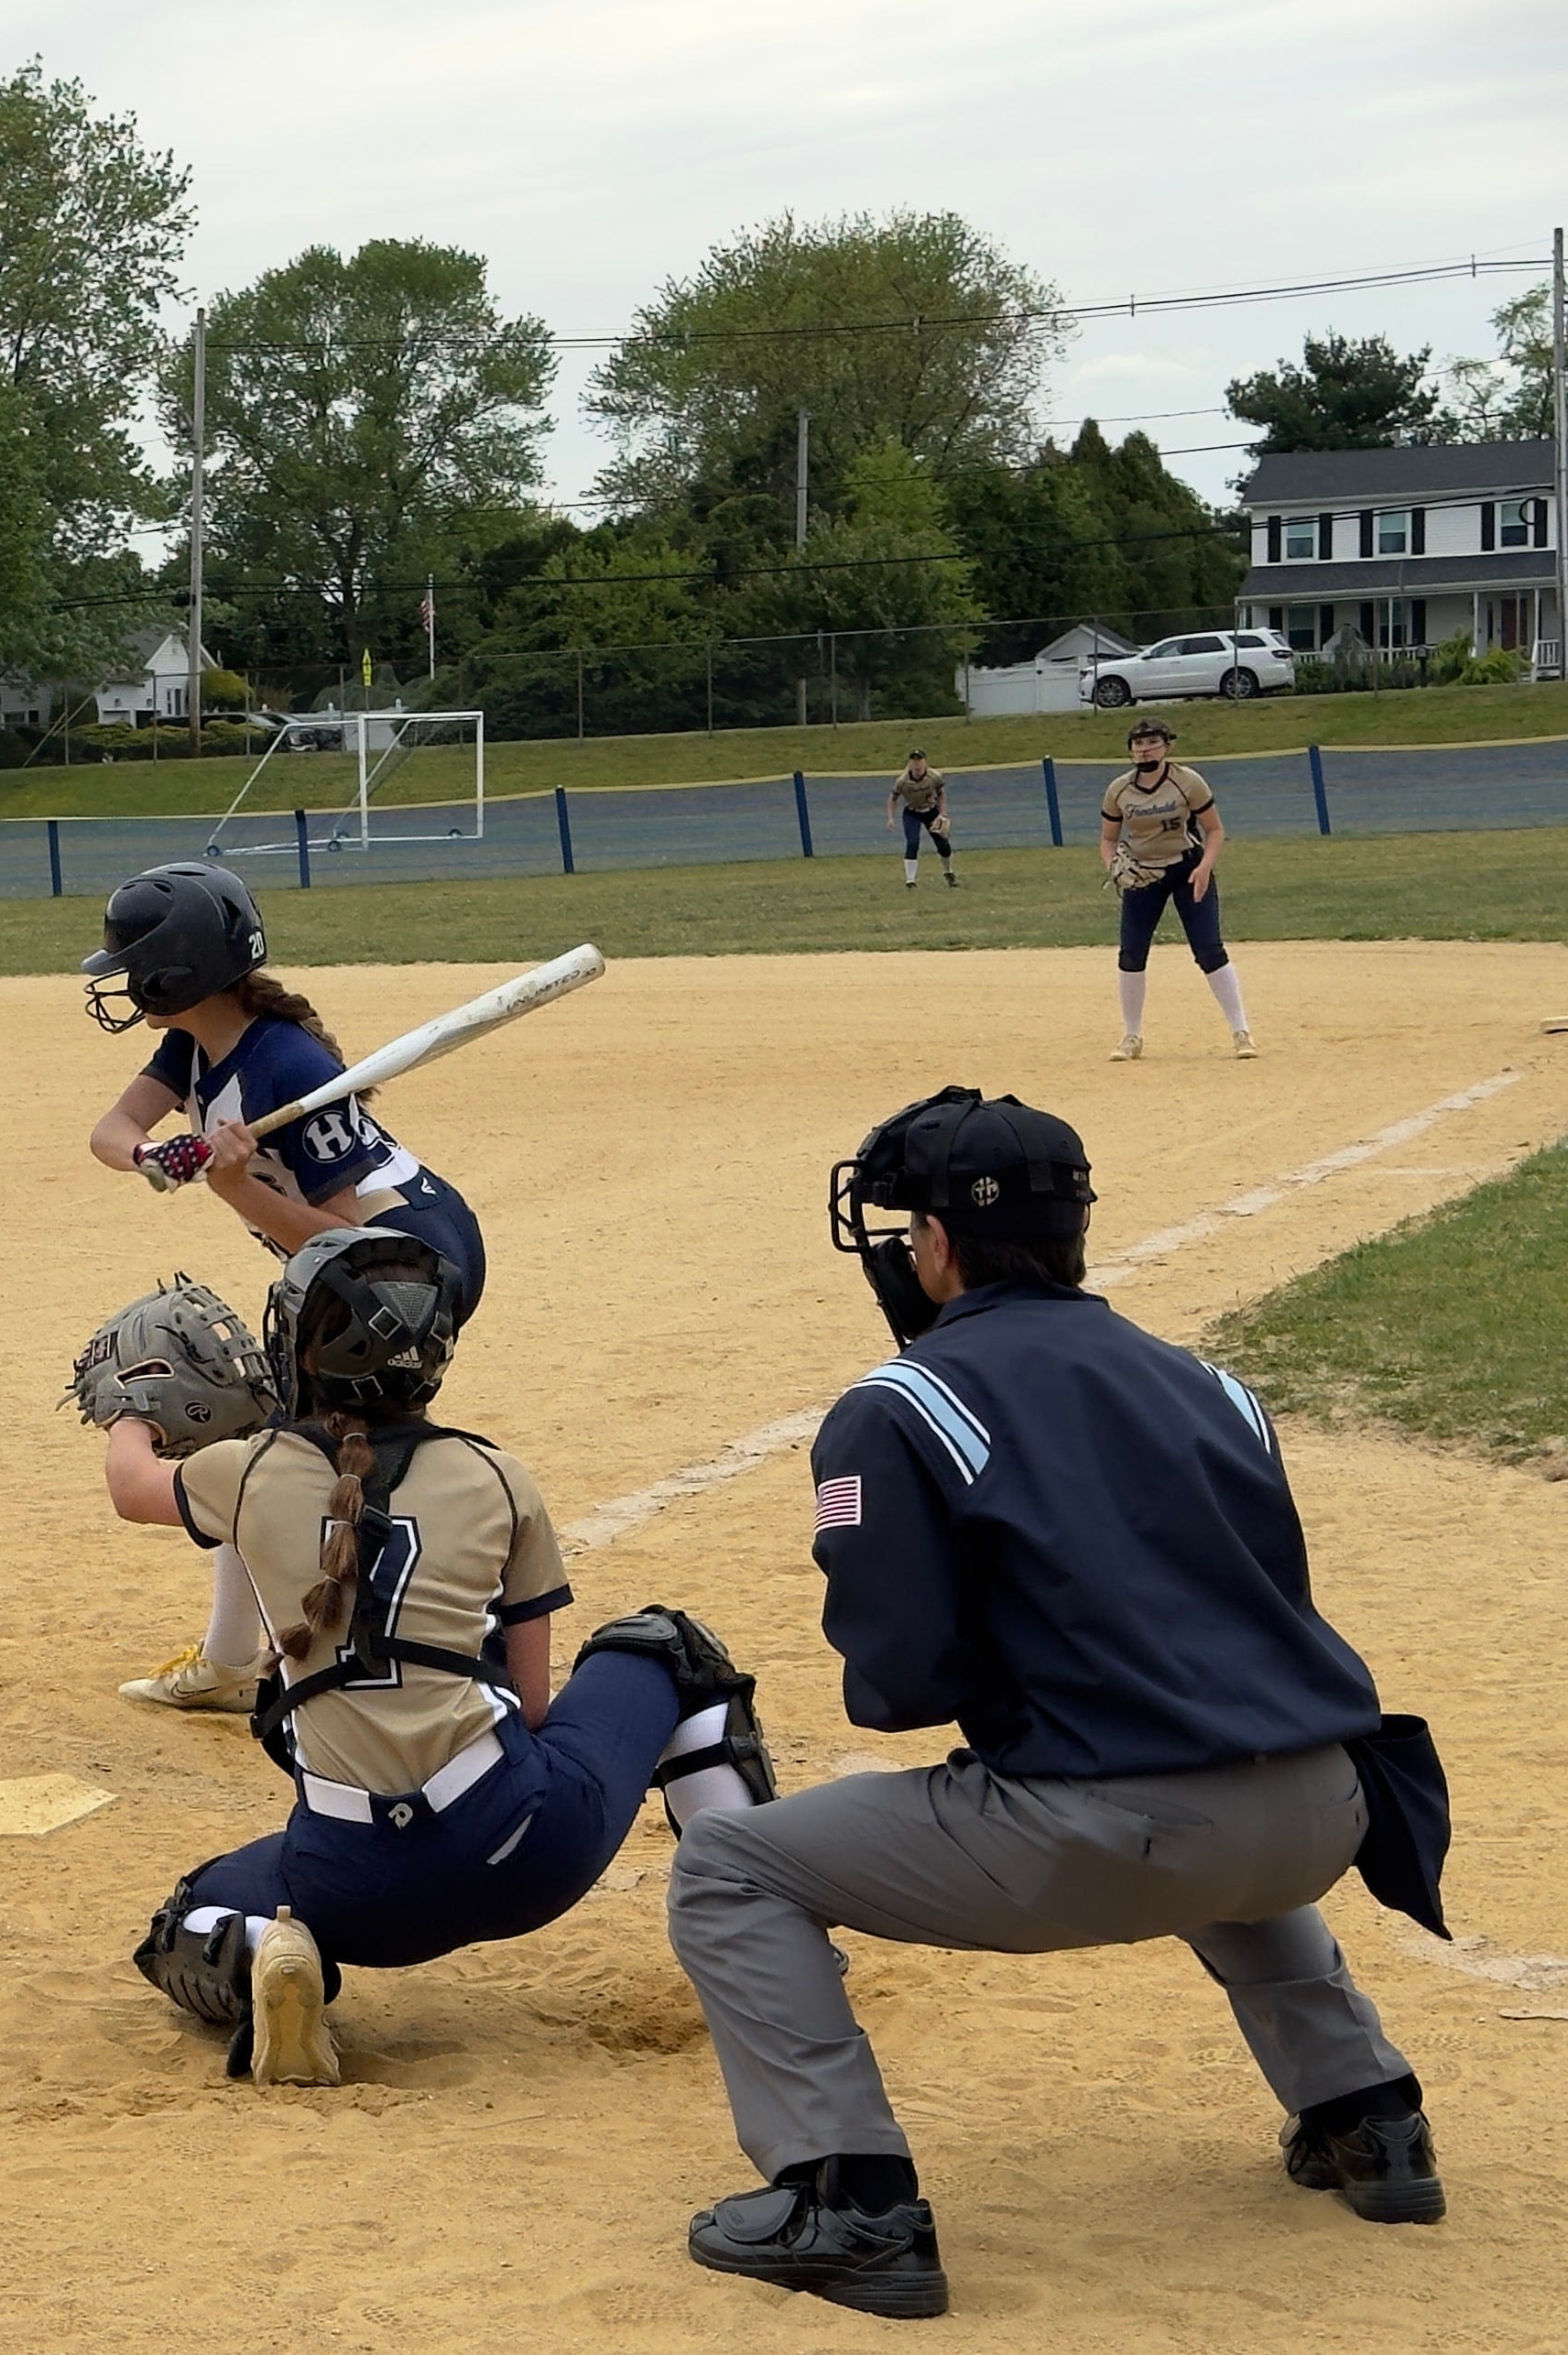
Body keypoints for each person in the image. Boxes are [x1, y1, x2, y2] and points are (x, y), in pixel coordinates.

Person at [663, 1087, 1451, 2321]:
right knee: (1207, 1772)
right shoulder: (1214, 1383)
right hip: (1321, 1810)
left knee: (729, 1867)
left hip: (1112, 1834)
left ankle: (848, 2198)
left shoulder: (898, 1405)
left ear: (934, 1244)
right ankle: (1371, 2118)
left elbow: (902, 1683)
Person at [111, 1227, 778, 2086]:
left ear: (300, 1351)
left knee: (187, 1917)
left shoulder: (244, 1470)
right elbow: (534, 1710)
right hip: (525, 1852)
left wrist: (134, 1405)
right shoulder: (494, 1474)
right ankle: (764, 1943)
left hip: (351, 1889)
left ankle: (267, 1952)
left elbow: (131, 1487)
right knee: (666, 1650)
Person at [82, 861, 492, 1714]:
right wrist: (156, 1155)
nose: (121, 983)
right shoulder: (193, 1043)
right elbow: (110, 1130)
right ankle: (239, 1656)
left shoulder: (290, 1064)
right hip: (337, 1266)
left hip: (405, 1264)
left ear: (178, 972)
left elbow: (348, 1239)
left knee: (286, 1453)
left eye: (132, 967)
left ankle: (355, 1647)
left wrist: (237, 1190)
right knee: (271, 1443)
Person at [1101, 717, 1250, 1060]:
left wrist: (1204, 867)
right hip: (1143, 875)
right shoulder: (1119, 790)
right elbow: (1108, 839)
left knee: (1209, 950)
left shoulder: (1187, 781)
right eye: (1138, 744)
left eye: (1152, 742)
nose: (1144, 749)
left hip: (1187, 869)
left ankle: (1241, 1030)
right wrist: (1113, 865)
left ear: (1168, 746)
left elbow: (1214, 830)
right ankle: (1131, 1036)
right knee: (1131, 953)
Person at [886, 747, 957, 890]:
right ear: (910, 763)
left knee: (942, 843)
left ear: (925, 762)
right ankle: (910, 881)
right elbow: (893, 798)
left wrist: (942, 813)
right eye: (914, 761)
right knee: (912, 843)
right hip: (912, 812)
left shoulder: (934, 776)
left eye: (920, 761)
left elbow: (941, 794)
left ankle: (949, 872)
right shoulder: (902, 781)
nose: (917, 764)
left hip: (931, 811)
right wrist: (890, 818)